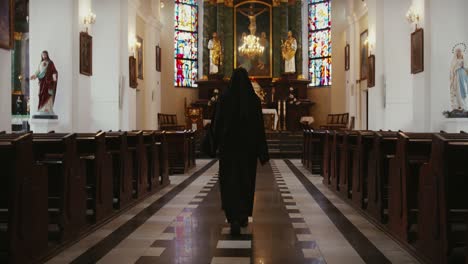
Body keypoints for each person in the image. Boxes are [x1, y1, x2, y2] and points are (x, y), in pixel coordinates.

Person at [212, 67, 269, 236]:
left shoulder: (224, 99)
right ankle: (243, 215)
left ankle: (232, 217)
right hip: (247, 151)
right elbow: (259, 128)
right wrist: (262, 151)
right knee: (246, 181)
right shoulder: (254, 101)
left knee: (229, 182)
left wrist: (213, 143)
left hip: (228, 150)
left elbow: (217, 124)